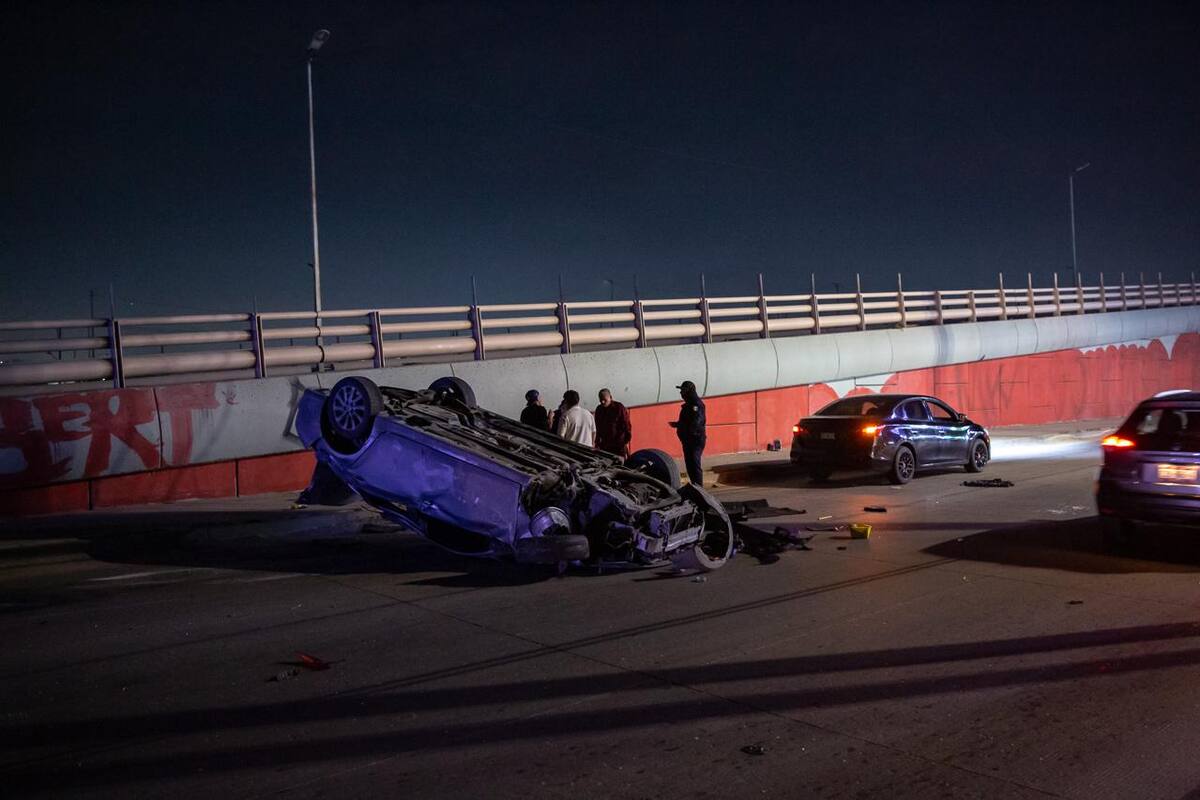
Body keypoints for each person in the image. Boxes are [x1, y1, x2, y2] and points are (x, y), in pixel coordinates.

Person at [668, 380, 706, 486]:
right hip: (688, 440)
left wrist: (687, 430)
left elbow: (697, 422)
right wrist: (678, 425)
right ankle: (695, 485)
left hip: (694, 439)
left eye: (682, 390)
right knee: (689, 464)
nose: (681, 393)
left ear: (688, 391)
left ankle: (699, 488)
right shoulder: (688, 405)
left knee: (694, 463)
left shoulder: (696, 404)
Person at [594, 388, 632, 457]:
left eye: (604, 400)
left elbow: (626, 425)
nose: (602, 402)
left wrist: (623, 442)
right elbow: (598, 428)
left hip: (618, 446)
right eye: (600, 400)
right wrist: (597, 443)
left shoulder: (619, 408)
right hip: (605, 446)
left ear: (610, 397)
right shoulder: (599, 410)